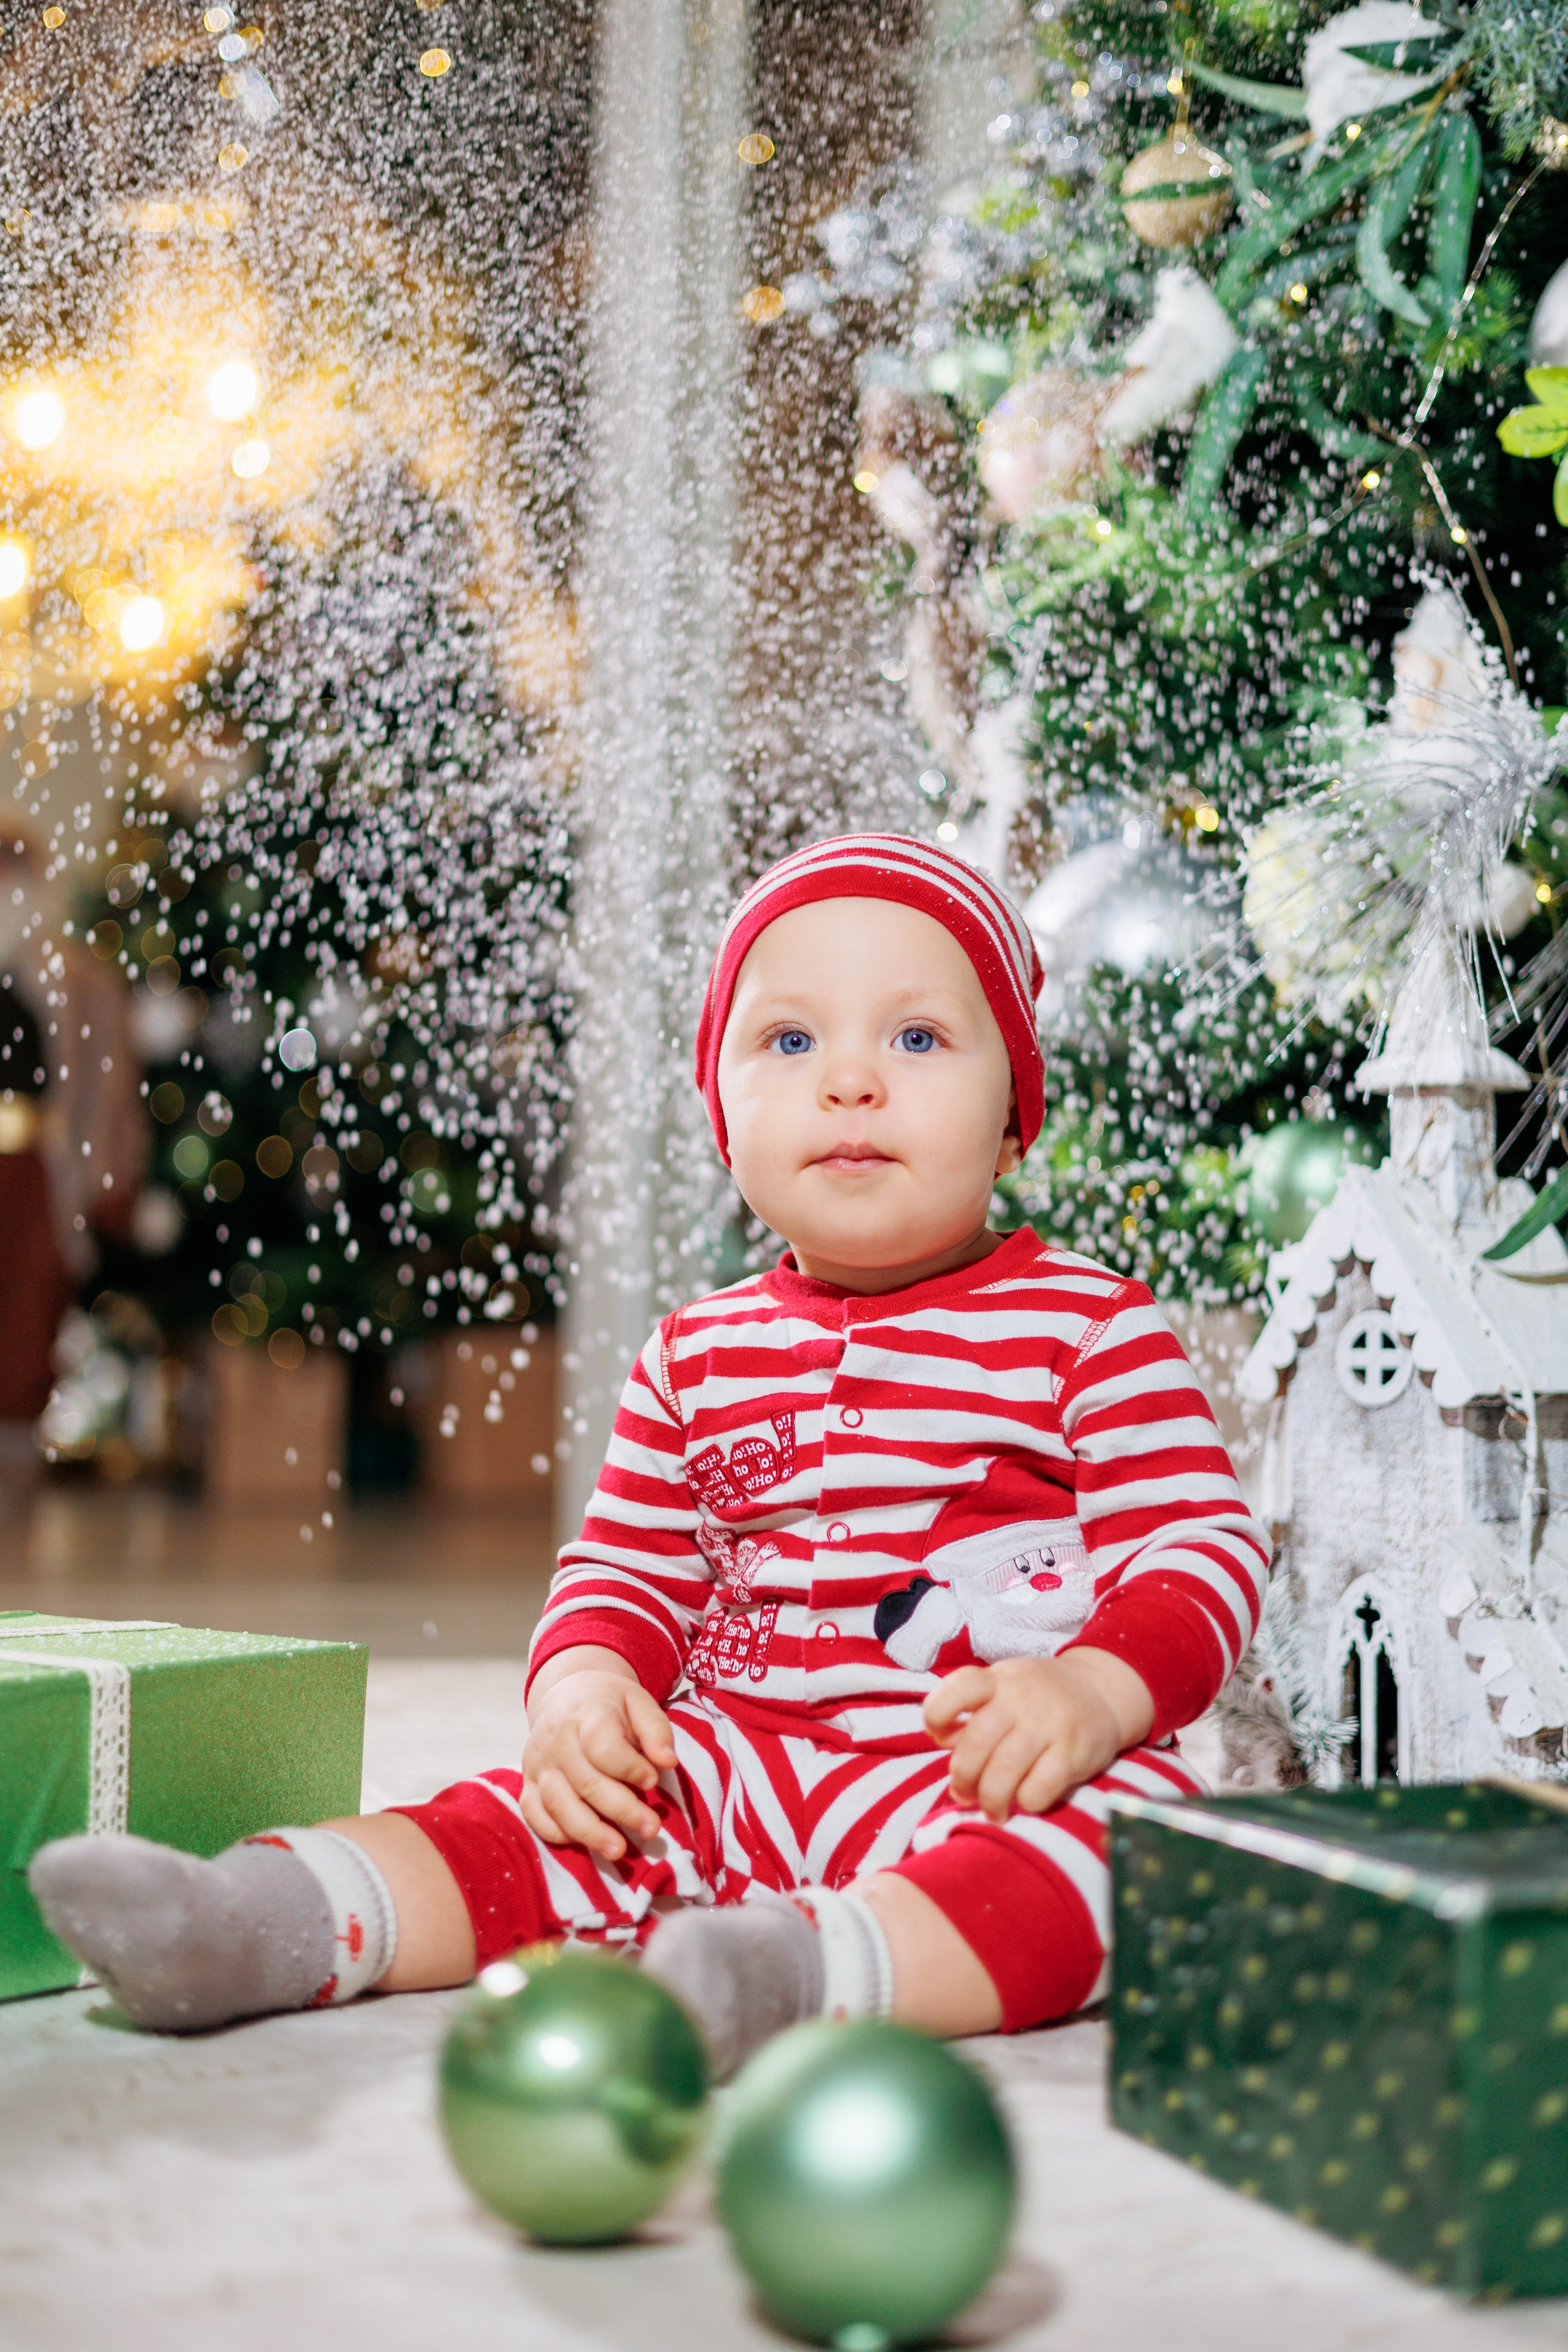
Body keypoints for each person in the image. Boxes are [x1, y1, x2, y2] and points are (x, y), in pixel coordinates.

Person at [31, 834, 1270, 2063]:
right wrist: (585, 1693)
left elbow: (1196, 1545)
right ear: (723, 1123)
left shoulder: (1084, 1324)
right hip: (724, 1763)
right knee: (535, 1820)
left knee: (1133, 1850)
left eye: (916, 1038)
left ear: (1013, 1119)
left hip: (976, 1769)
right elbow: (620, 1571)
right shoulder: (693, 1353)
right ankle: (258, 1921)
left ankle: (802, 1970)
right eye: (788, 1041)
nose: (849, 1081)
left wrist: (1094, 1689)